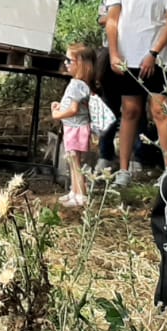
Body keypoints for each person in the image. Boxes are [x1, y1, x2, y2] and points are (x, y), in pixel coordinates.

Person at [102, 0, 167, 187]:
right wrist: (114, 52)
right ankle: (123, 170)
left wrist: (154, 52)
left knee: (160, 110)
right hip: (128, 55)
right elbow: (112, 18)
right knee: (130, 110)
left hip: (160, 57)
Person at [52, 43, 97, 208]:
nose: (66, 63)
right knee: (72, 161)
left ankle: (81, 195)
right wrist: (59, 106)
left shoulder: (77, 85)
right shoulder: (79, 84)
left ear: (80, 63)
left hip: (76, 128)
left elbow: (73, 109)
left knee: (75, 162)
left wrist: (57, 114)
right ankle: (74, 191)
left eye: (68, 60)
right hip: (73, 127)